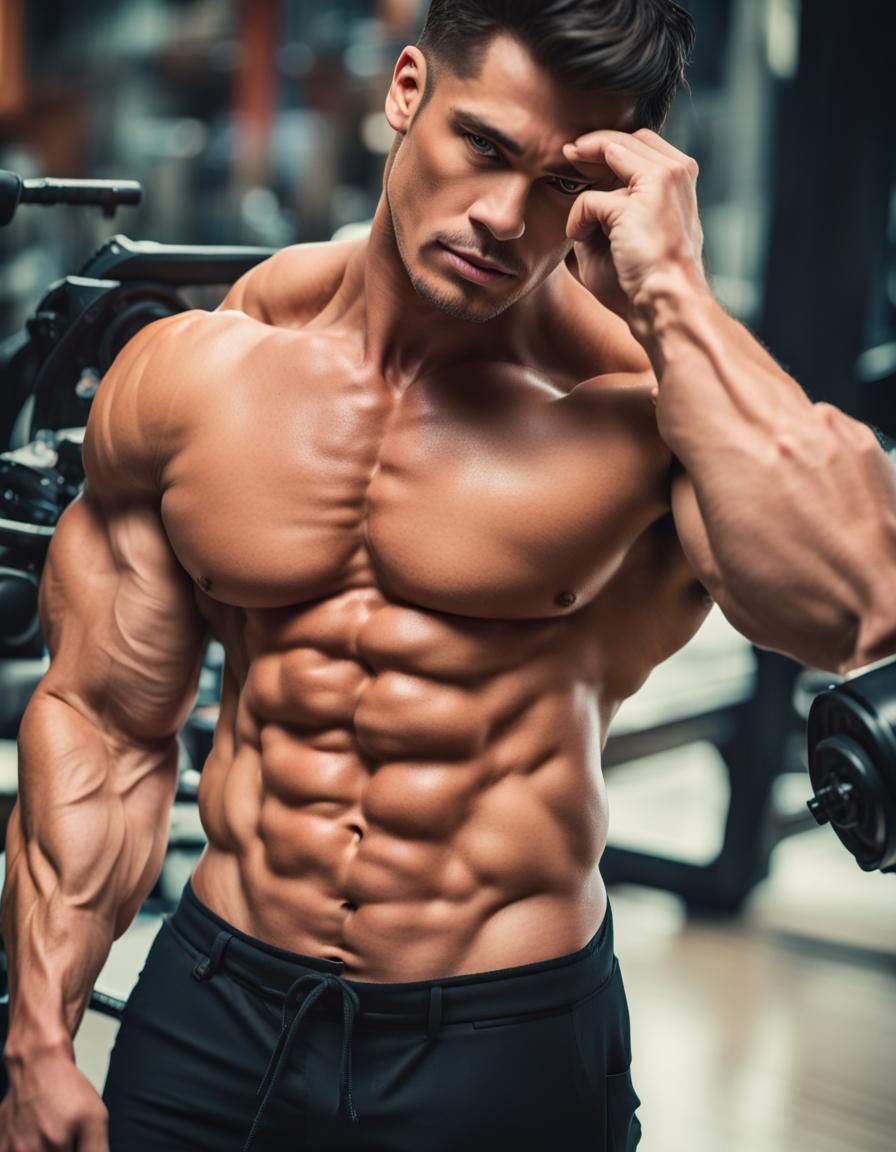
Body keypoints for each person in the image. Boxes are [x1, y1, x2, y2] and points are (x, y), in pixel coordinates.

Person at [3, 1, 896, 1150]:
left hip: (499, 1042)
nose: (503, 218)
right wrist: (39, 1034)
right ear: (407, 91)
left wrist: (674, 295)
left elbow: (862, 604)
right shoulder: (202, 372)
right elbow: (103, 724)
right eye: (483, 145)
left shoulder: (641, 409)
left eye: (559, 183)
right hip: (217, 1009)